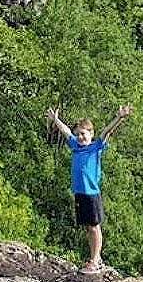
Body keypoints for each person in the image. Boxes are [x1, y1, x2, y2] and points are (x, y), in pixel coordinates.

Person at [46, 105, 133, 272]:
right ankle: (94, 258)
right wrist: (56, 120)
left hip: (91, 194)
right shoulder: (75, 146)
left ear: (91, 134)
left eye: (83, 134)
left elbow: (107, 132)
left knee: (94, 227)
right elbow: (66, 132)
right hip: (79, 193)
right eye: (78, 134)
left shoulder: (95, 147)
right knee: (88, 227)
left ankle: (96, 259)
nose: (80, 137)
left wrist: (119, 118)